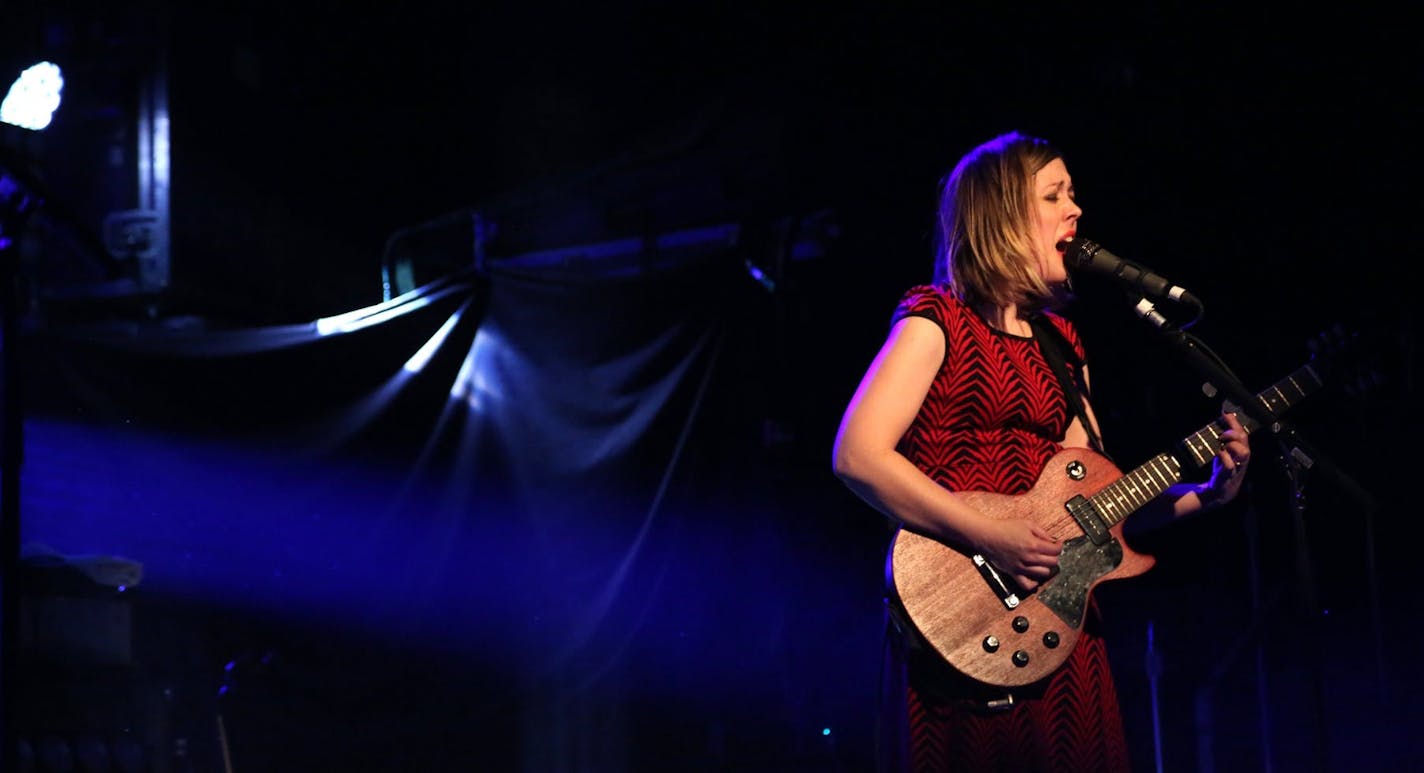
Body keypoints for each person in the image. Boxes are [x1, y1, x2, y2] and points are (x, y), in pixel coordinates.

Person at [831, 130, 1252, 771]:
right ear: (1001, 214)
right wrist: (988, 534)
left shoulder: (1064, 343)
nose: (1076, 210)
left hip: (1059, 631)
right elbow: (858, 455)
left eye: (1074, 194)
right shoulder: (935, 319)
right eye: (1055, 194)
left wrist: (1207, 495)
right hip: (962, 623)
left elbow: (1099, 516)